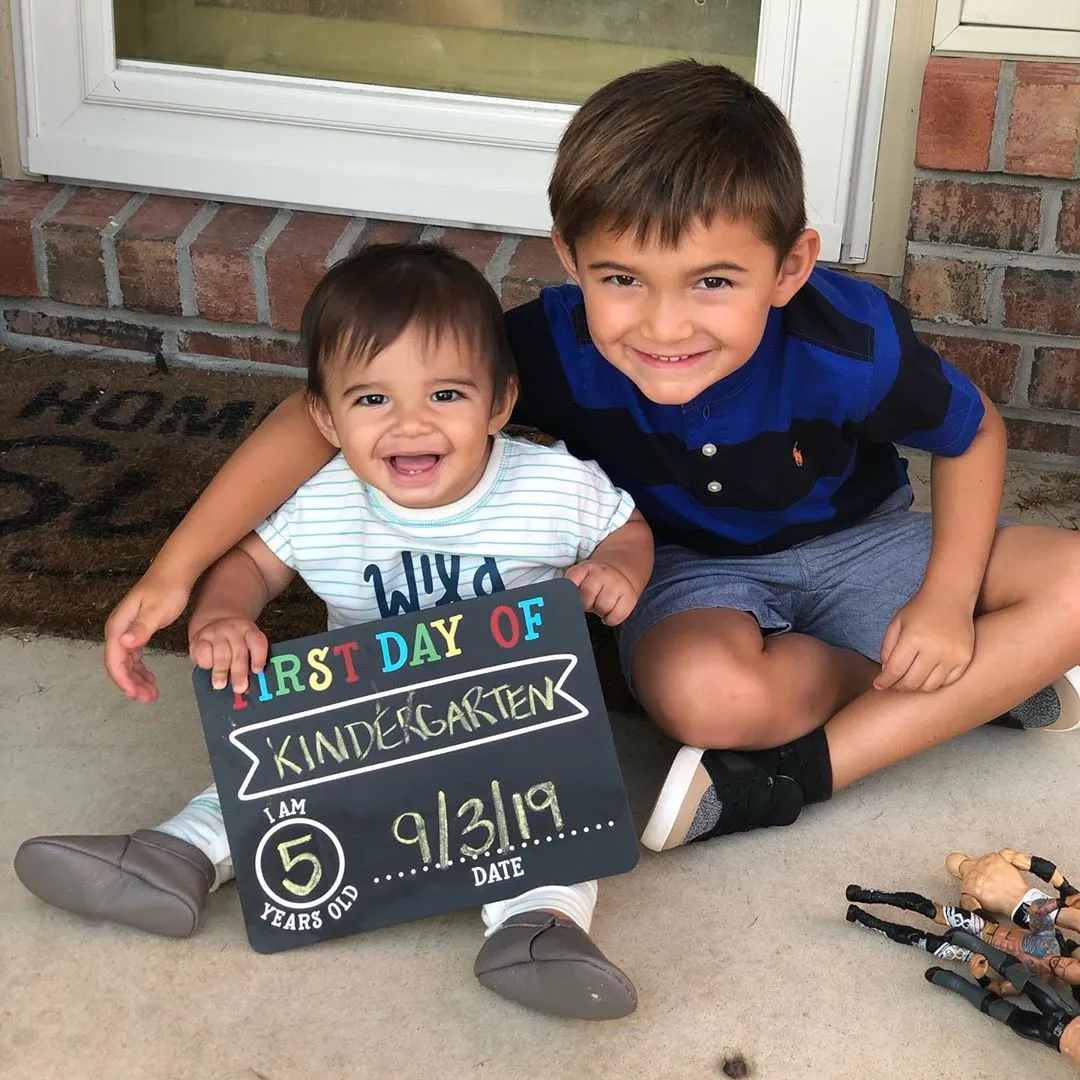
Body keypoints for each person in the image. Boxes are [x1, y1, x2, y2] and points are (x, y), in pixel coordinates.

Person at [92, 59, 1080, 851]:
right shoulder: (552, 347)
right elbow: (315, 420)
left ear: (789, 268)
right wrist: (177, 570)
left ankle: (795, 776)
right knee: (707, 698)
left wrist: (945, 601)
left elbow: (973, 433)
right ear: (569, 258)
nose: (663, 326)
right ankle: (970, 686)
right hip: (682, 568)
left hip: (866, 544)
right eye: (622, 279)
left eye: (713, 282)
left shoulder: (848, 341)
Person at [14, 243, 653, 1022]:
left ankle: (539, 930)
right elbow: (251, 564)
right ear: (324, 417)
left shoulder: (551, 486)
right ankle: (174, 856)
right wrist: (223, 614)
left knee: (552, 814)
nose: (411, 422)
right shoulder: (325, 501)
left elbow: (627, 528)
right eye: (373, 399)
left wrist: (617, 567)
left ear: (499, 403)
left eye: (446, 393)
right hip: (363, 724)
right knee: (280, 774)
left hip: (508, 728)